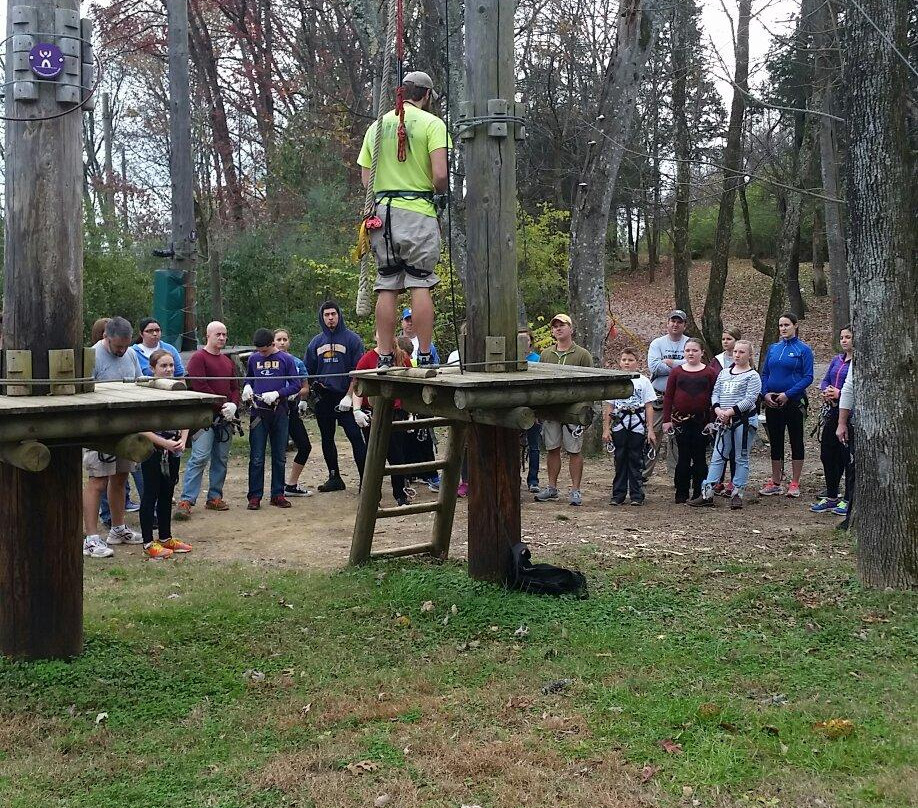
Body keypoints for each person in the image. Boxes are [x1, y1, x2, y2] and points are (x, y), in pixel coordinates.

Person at [357, 70, 449, 369]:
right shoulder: (432, 124)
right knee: (420, 282)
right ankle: (424, 354)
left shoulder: (377, 126)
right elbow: (439, 175)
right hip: (417, 210)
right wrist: (439, 192)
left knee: (387, 283)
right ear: (425, 95)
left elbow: (366, 178)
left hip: (382, 214)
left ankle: (384, 355)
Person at [82, 317, 144, 558]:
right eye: (118, 346)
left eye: (125, 345)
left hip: (125, 428)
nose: (122, 350)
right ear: (105, 337)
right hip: (100, 430)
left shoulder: (129, 355)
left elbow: (139, 383)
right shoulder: (92, 356)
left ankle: (118, 529)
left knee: (120, 478)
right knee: (98, 481)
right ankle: (91, 538)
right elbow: (84, 393)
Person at [175, 321, 241, 520]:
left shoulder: (228, 362)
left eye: (224, 335)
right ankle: (187, 499)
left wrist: (233, 405)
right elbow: (200, 386)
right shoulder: (198, 358)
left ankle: (215, 496)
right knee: (200, 457)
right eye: (218, 334)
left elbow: (235, 387)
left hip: (226, 418)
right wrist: (222, 405)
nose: (222, 338)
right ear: (208, 335)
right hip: (205, 418)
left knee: (221, 458)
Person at [689, 340, 762, 510]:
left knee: (740, 457)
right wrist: (718, 410)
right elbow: (716, 393)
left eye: (742, 352)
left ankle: (737, 493)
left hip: (742, 422)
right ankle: (707, 492)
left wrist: (730, 412)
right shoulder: (724, 374)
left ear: (749, 355)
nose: (737, 355)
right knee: (718, 456)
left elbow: (750, 399)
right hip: (723, 421)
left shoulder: (752, 376)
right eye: (735, 352)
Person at [304, 301, 367, 492]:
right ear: (322, 317)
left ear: (339, 315)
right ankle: (334, 477)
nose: (330, 318)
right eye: (326, 315)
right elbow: (308, 371)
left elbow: (358, 372)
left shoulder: (352, 340)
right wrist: (306, 397)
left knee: (356, 437)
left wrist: (349, 396)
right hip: (325, 398)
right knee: (327, 438)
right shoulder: (316, 342)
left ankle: (366, 481)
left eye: (333, 314)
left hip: (346, 397)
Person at [534, 314, 594, 506]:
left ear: (571, 329)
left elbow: (590, 384)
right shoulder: (546, 354)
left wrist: (586, 412)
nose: (558, 329)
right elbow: (539, 383)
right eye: (555, 326)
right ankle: (551, 488)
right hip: (551, 411)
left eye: (562, 325)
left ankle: (575, 490)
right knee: (552, 449)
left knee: (574, 451)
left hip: (574, 411)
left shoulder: (583, 354)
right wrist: (538, 410)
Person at [138, 349, 192, 559]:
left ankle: (165, 537)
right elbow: (140, 426)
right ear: (153, 368)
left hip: (174, 448)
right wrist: (164, 444)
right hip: (152, 448)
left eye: (171, 365)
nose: (169, 370)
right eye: (163, 366)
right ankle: (147, 542)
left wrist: (182, 441)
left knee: (167, 493)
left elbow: (187, 417)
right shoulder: (147, 391)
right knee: (150, 493)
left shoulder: (179, 388)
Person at [243, 329, 302, 509]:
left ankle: (278, 494)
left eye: (265, 350)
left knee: (279, 456)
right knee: (257, 457)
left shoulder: (286, 360)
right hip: (258, 413)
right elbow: (249, 379)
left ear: (272, 344)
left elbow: (295, 385)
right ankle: (254, 496)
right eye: (259, 350)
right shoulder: (254, 359)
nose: (262, 353)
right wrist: (247, 387)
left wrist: (278, 393)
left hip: (280, 412)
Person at [759, 312, 814, 498]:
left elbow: (808, 377)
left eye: (787, 325)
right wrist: (765, 393)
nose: (783, 329)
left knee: (796, 439)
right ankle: (776, 481)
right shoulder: (773, 348)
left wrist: (788, 394)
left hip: (794, 401)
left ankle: (795, 482)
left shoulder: (803, 350)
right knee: (775, 441)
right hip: (772, 402)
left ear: (795, 326)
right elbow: (765, 373)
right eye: (781, 325)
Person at [353, 339, 413, 506]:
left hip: (396, 412)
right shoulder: (367, 359)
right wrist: (356, 410)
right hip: (371, 413)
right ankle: (373, 497)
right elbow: (357, 385)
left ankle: (400, 495)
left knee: (397, 455)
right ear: (375, 336)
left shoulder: (402, 358)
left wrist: (412, 412)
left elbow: (412, 387)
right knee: (372, 456)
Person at [662, 337, 718, 503]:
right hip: (680, 421)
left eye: (694, 350)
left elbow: (715, 397)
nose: (691, 353)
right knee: (683, 458)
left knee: (700, 458)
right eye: (687, 350)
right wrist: (666, 420)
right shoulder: (676, 372)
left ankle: (699, 493)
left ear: (702, 352)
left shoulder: (710, 373)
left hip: (702, 422)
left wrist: (712, 421)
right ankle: (681, 493)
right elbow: (669, 396)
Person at [602, 348, 657, 506]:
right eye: (624, 360)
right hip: (620, 423)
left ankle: (636, 494)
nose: (627, 363)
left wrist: (650, 430)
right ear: (620, 362)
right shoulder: (616, 381)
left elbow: (649, 406)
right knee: (620, 459)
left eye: (630, 360)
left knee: (636, 459)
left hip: (638, 424)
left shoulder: (643, 381)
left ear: (637, 362)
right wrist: (606, 429)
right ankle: (618, 494)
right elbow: (609, 408)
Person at [810, 325, 854, 515]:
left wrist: (840, 393)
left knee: (847, 458)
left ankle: (848, 498)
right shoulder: (837, 360)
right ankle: (832, 495)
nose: (844, 340)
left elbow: (854, 387)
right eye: (842, 337)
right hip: (832, 412)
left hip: (851, 415)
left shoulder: (858, 362)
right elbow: (825, 380)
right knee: (827, 454)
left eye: (848, 337)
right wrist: (827, 391)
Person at [646, 310, 689, 478]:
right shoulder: (657, 344)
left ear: (684, 325)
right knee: (653, 433)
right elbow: (654, 367)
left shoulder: (689, 343)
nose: (675, 324)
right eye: (673, 321)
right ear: (667, 323)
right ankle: (643, 473)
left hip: (681, 398)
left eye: (679, 322)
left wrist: (671, 363)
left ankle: (676, 474)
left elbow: (693, 364)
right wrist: (681, 366)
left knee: (677, 436)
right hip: (658, 397)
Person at [273, 328, 313, 497]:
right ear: (273, 342)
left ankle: (291, 484)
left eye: (285, 339)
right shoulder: (268, 361)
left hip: (292, 410)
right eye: (278, 339)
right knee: (278, 450)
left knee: (304, 446)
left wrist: (297, 394)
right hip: (274, 411)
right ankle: (276, 489)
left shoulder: (297, 363)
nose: (282, 342)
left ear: (289, 341)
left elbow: (306, 388)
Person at [520, 327, 542, 493]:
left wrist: (537, 411)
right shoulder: (511, 359)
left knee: (534, 446)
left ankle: (533, 480)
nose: (522, 343)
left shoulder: (538, 360)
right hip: (516, 410)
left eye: (525, 339)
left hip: (534, 409)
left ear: (531, 342)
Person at [835, 367, 855, 530]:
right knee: (854, 470)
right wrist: (842, 423)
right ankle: (852, 515)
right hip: (859, 422)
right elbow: (849, 387)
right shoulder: (861, 356)